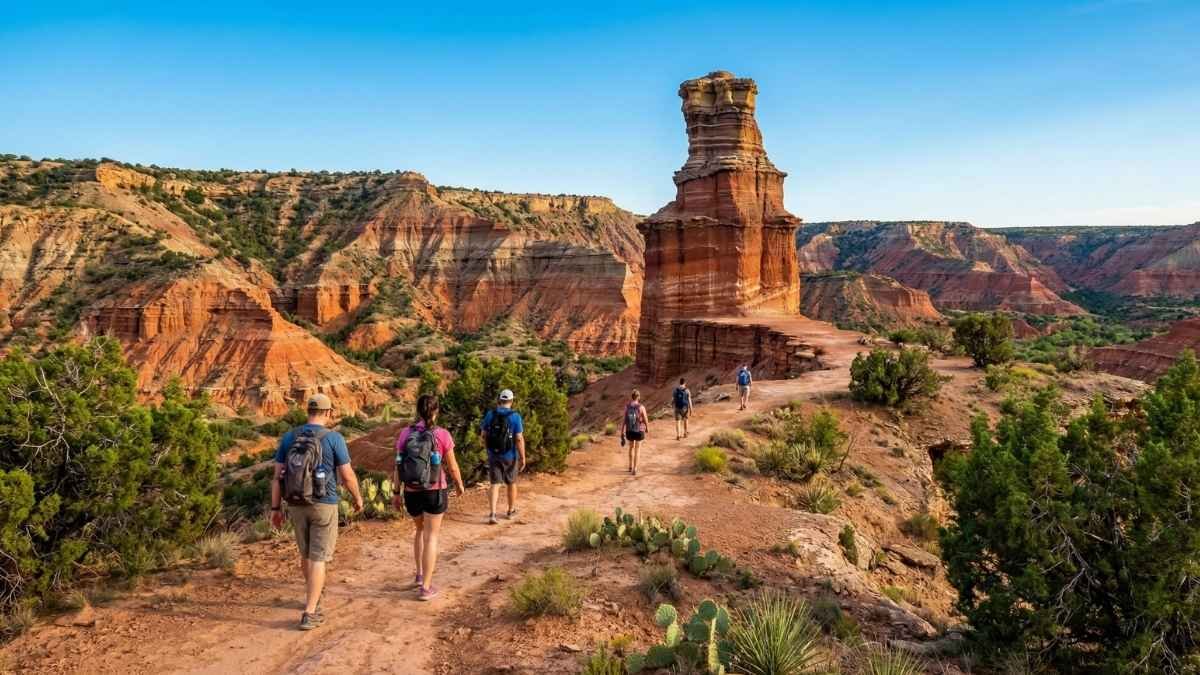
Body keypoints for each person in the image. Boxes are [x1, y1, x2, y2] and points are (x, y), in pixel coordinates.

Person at [271, 393, 363, 631]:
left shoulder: (290, 437)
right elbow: (347, 475)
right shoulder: (334, 438)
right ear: (328, 413)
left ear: (308, 411)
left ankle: (313, 595)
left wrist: (275, 508)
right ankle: (310, 612)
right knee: (319, 558)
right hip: (325, 503)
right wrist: (358, 498)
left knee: (306, 555)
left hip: (295, 503)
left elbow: (276, 478)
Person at [393, 394, 465, 601]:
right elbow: (452, 465)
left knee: (419, 530)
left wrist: (396, 492)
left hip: (411, 491)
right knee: (431, 536)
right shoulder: (442, 435)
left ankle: (418, 574)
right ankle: (425, 587)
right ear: (436, 411)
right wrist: (459, 484)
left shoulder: (405, 434)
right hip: (435, 490)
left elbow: (398, 465)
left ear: (418, 411)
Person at [481, 389, 526, 525]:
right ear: (511, 401)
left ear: (499, 400)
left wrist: (487, 449)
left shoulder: (490, 414)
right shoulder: (515, 416)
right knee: (511, 483)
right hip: (510, 455)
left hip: (493, 455)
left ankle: (493, 514)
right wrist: (523, 457)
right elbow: (518, 438)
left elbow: (483, 434)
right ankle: (510, 511)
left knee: (495, 484)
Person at [620, 390, 649, 475]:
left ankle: (630, 466)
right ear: (638, 397)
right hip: (639, 430)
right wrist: (647, 428)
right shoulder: (641, 407)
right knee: (637, 449)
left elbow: (624, 420)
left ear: (631, 397)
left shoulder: (627, 407)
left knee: (631, 447)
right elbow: (645, 419)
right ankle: (635, 468)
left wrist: (622, 431)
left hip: (629, 430)